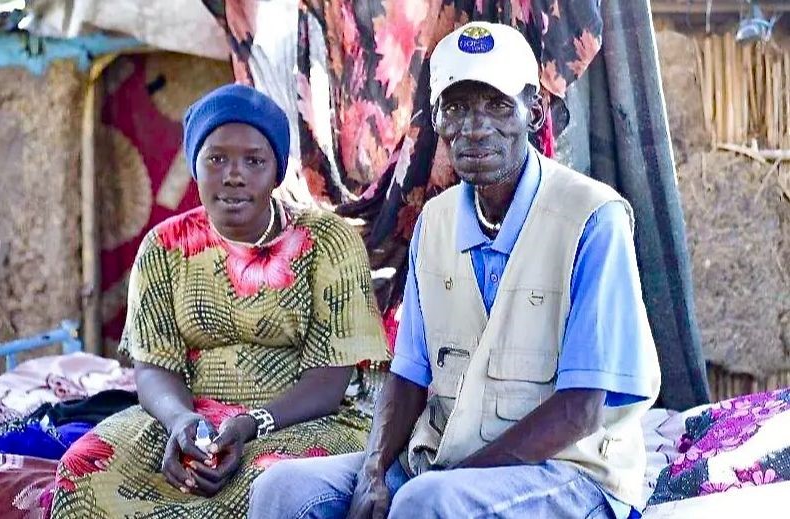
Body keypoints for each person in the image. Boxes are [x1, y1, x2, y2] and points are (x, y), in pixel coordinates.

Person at [248, 21, 661, 519]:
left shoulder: (593, 217)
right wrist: (375, 475)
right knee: (282, 491)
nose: (474, 127)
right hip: (441, 459)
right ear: (436, 119)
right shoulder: (436, 222)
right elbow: (408, 375)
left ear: (535, 111)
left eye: (497, 105)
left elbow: (581, 408)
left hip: (571, 472)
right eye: (457, 107)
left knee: (427, 503)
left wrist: (447, 483)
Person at [50, 84, 388, 518]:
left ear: (276, 171)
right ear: (195, 165)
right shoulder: (164, 245)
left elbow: (329, 382)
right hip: (195, 419)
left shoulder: (326, 241)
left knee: (265, 486)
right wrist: (180, 422)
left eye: (253, 160)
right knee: (83, 469)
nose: (234, 175)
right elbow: (154, 367)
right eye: (216, 159)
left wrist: (250, 424)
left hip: (302, 422)